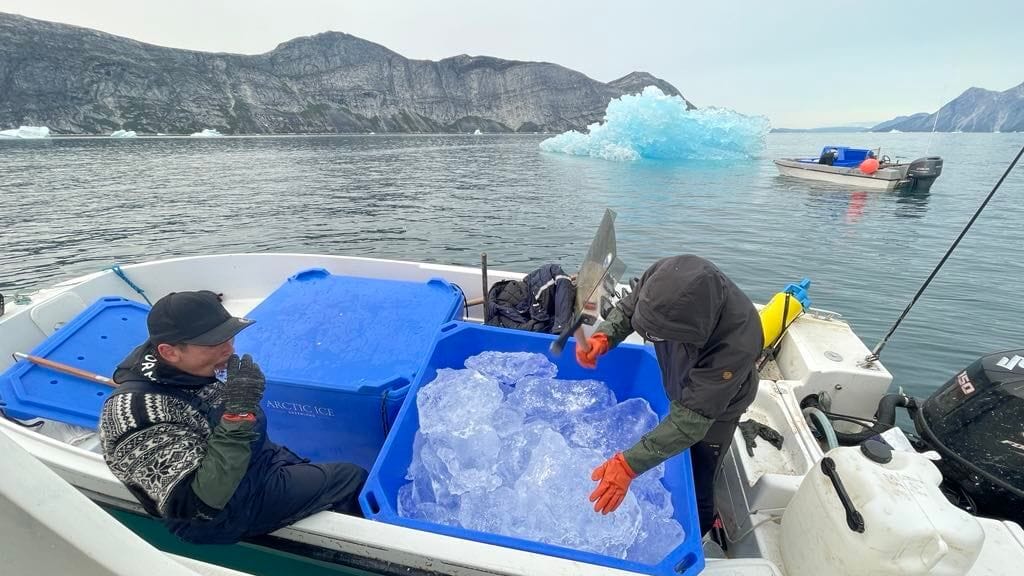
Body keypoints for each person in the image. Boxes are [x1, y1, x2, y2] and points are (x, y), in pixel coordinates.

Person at [98, 290, 367, 544]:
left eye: (229, 336)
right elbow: (196, 503)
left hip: (250, 467)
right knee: (351, 476)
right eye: (213, 342)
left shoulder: (192, 370)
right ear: (170, 351)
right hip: (219, 512)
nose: (228, 349)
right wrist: (240, 414)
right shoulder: (136, 418)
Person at [576, 255, 763, 535]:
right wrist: (605, 337)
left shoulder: (736, 343)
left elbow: (691, 420)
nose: (651, 338)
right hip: (682, 381)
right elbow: (631, 307)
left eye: (658, 335)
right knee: (679, 435)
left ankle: (703, 529)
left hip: (719, 408)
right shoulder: (665, 276)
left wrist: (627, 466)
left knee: (702, 472)